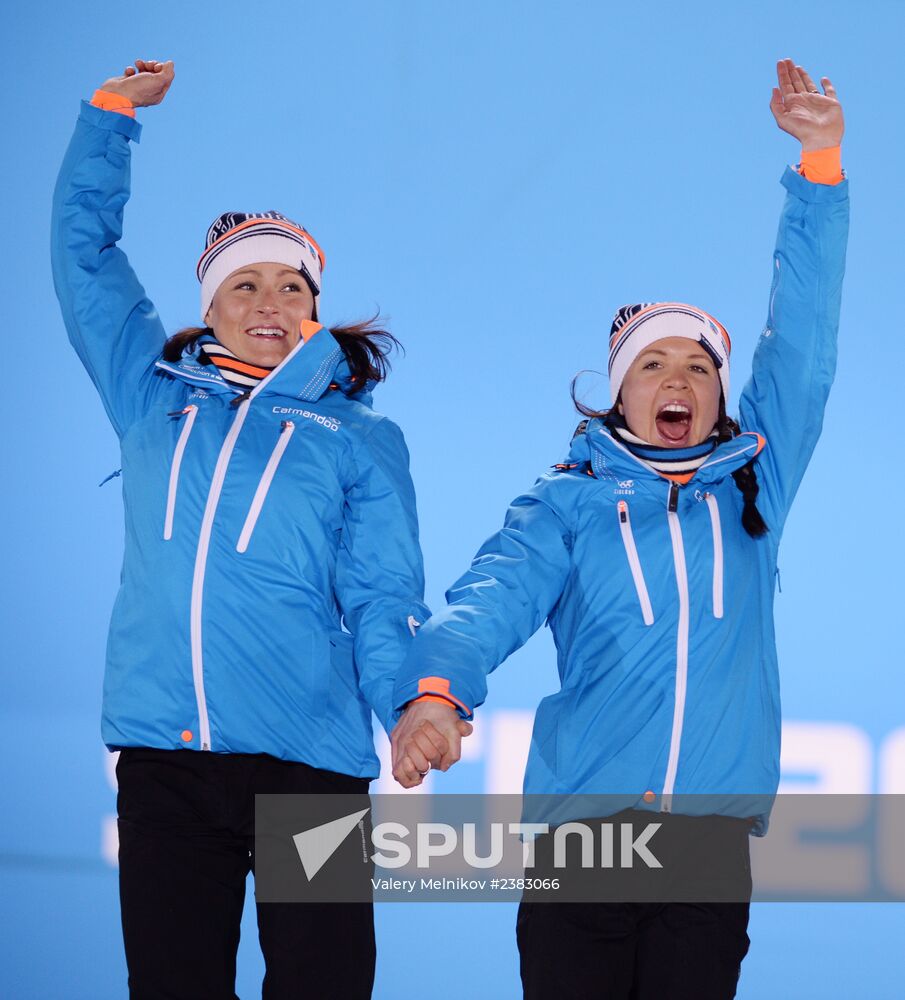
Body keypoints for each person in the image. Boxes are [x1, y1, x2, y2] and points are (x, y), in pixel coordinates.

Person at [390, 59, 848, 999]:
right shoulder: (565, 504)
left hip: (707, 845)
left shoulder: (751, 481)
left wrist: (818, 166)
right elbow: (486, 602)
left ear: (720, 395)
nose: (676, 380)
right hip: (583, 838)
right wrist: (437, 692)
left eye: (697, 366)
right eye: (650, 365)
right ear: (617, 391)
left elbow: (800, 343)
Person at [52, 59, 430, 999]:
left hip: (312, 769)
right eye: (245, 288)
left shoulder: (360, 437)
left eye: (291, 288)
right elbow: (85, 262)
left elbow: (383, 595)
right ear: (209, 308)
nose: (270, 305)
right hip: (169, 768)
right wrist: (110, 122)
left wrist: (409, 708)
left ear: (316, 310)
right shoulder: (152, 397)